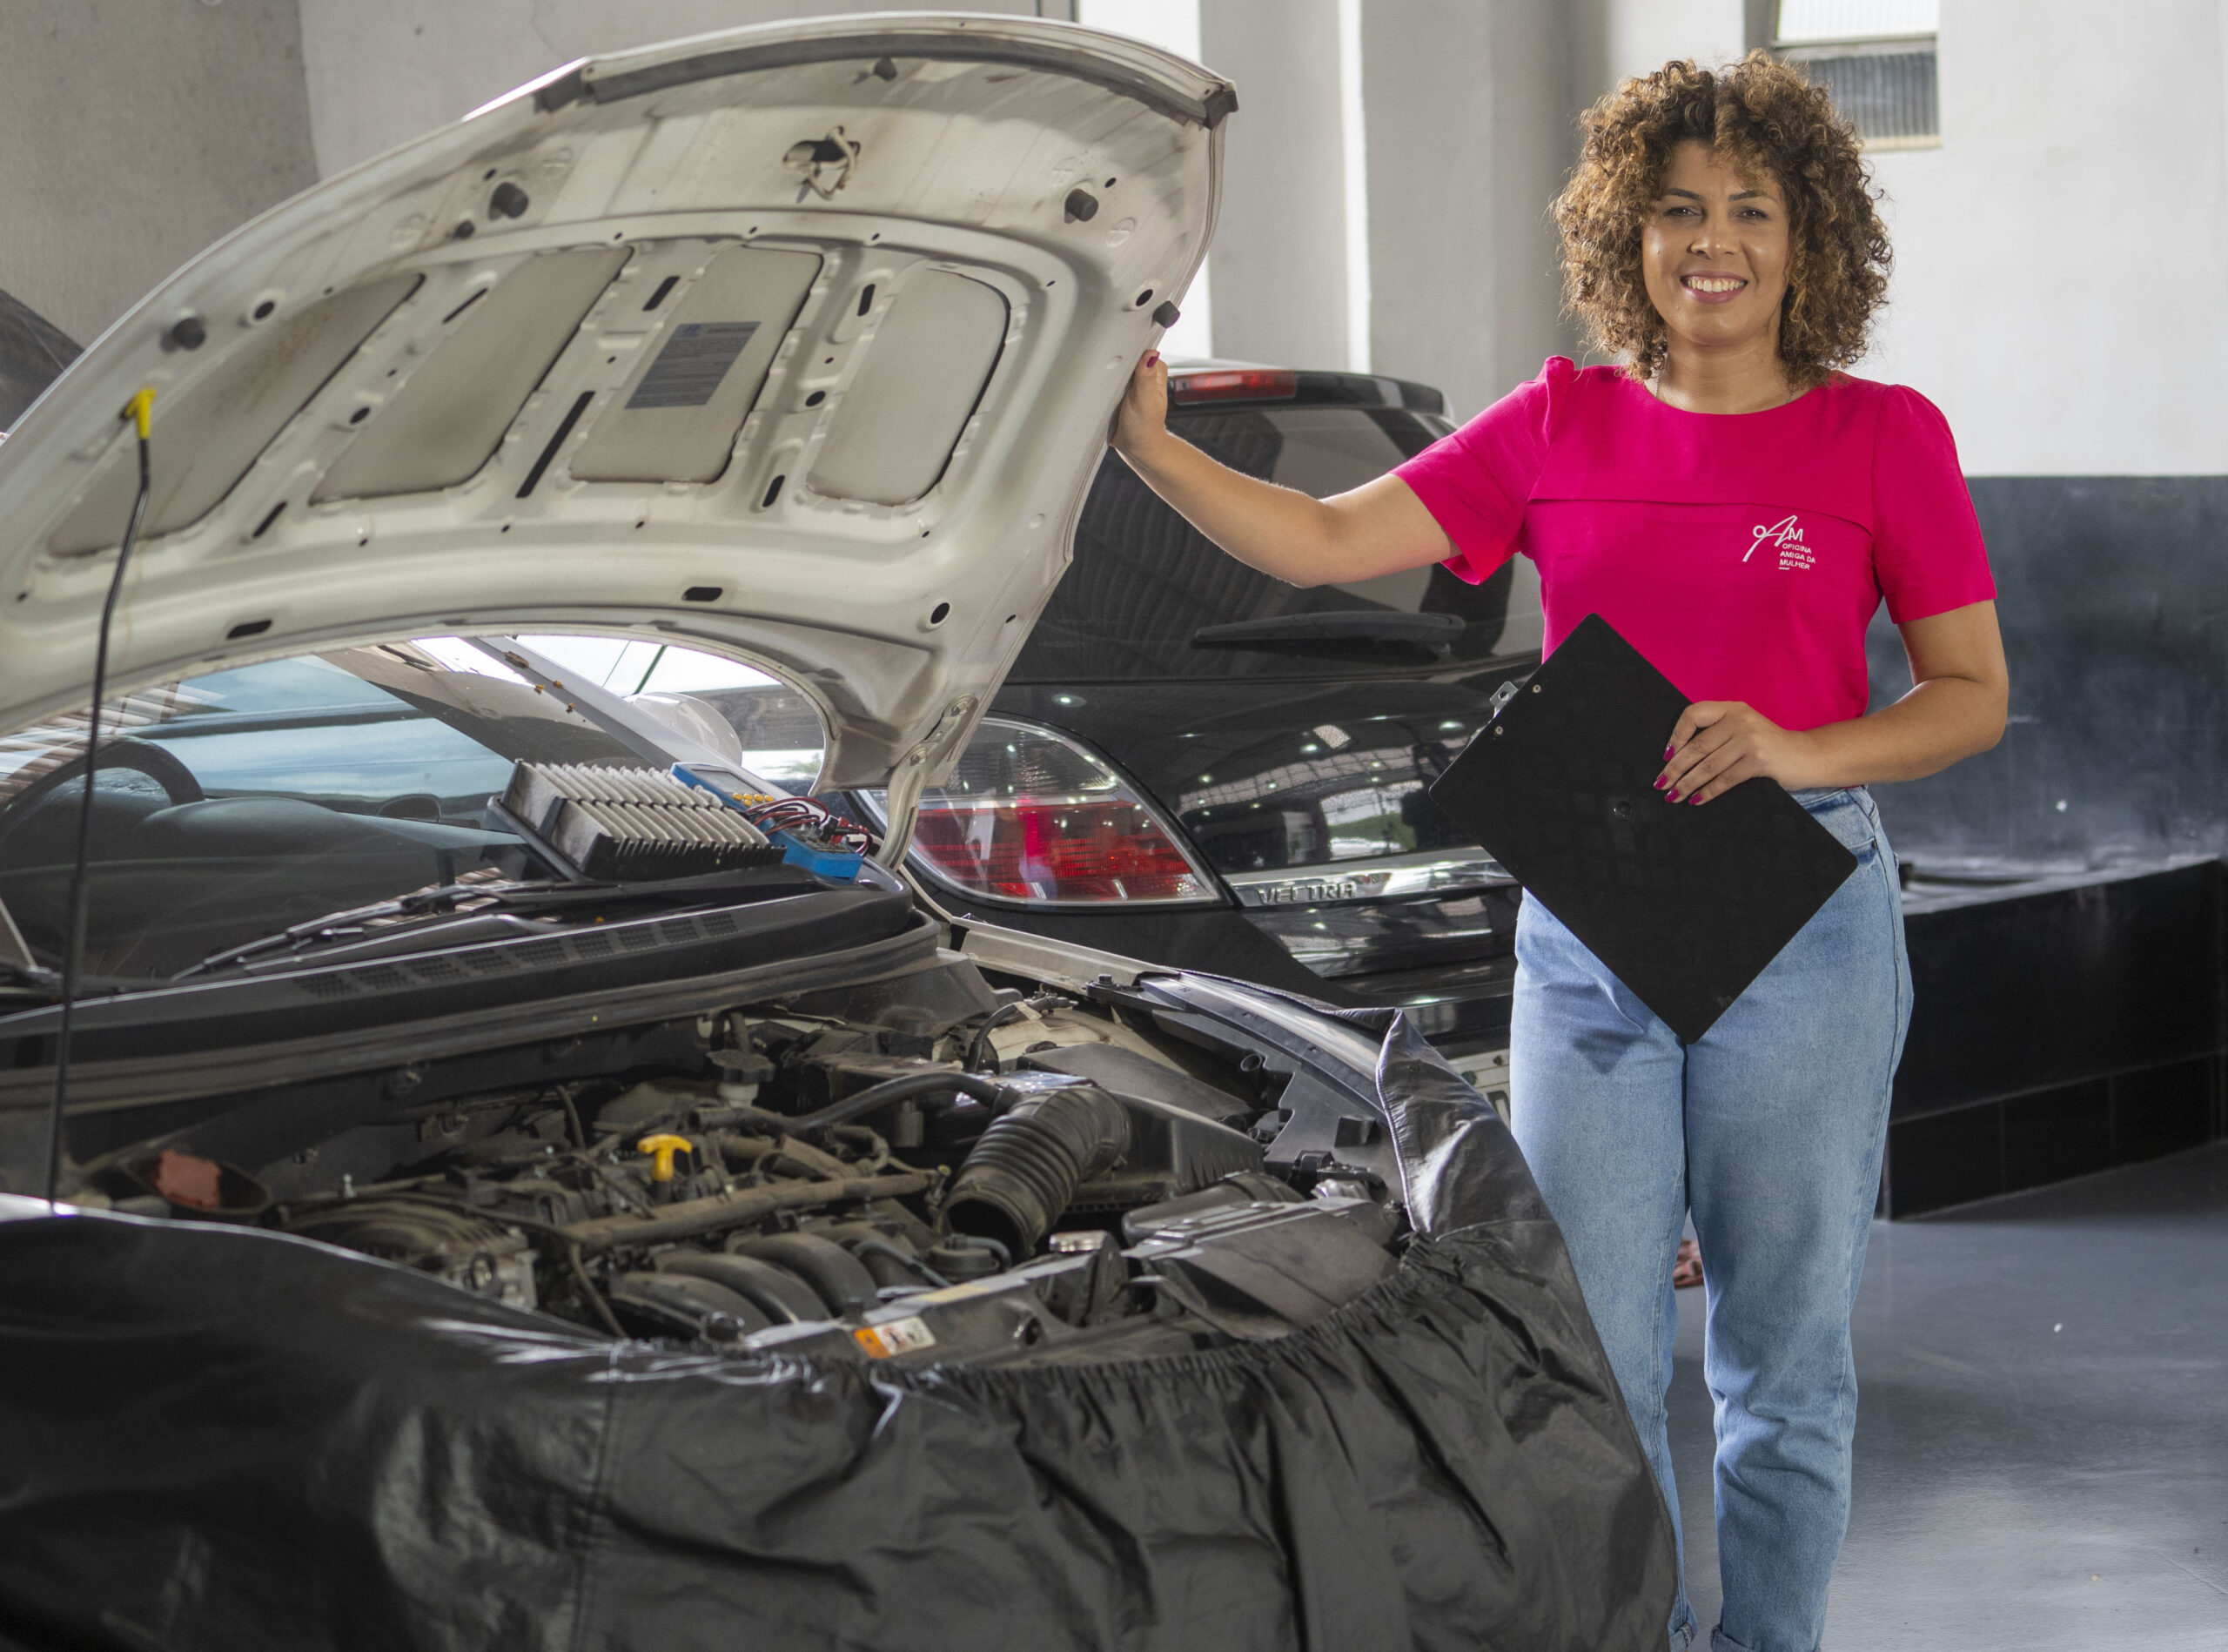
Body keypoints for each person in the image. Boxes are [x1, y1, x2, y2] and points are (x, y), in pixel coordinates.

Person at [1108, 51, 2006, 1652]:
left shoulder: (1883, 438)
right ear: (1625, 236)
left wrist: (1800, 744)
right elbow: (1325, 541)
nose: (1709, 241)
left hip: (1802, 911)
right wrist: (1159, 452)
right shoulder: (1557, 421)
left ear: (1810, 238)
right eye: (1674, 211)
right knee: (1584, 1350)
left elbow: (1970, 699)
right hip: (1590, 923)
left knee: (1779, 1356)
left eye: (1749, 208)